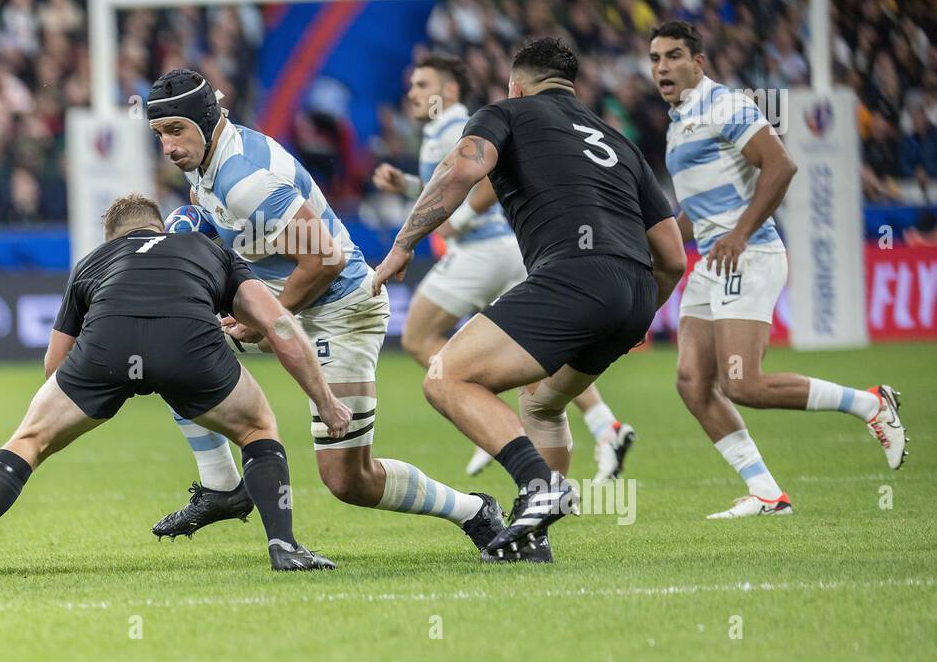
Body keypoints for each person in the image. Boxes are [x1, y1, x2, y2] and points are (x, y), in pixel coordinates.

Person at [147, 68, 508, 557]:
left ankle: (473, 510)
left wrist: (263, 320)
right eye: (159, 134)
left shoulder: (244, 178)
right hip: (287, 304)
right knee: (168, 350)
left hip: (341, 310)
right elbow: (229, 222)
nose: (167, 147)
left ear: (207, 119)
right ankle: (221, 487)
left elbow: (325, 258)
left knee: (347, 480)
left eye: (175, 131)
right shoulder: (208, 159)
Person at [373, 38, 687, 562]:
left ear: (516, 85)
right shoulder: (618, 140)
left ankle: (540, 486)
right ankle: (534, 536)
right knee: (541, 402)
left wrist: (402, 245)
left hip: (573, 276)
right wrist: (633, 318)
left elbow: (460, 173)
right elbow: (673, 257)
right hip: (636, 293)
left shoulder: (506, 113)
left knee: (447, 375)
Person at [0, 194, 347, 579]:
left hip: (107, 347)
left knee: (28, 441)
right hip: (189, 344)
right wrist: (325, 401)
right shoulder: (206, 248)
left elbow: (54, 362)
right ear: (160, 227)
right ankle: (285, 548)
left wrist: (82, 400)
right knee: (257, 428)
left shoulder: (94, 261)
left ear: (112, 238)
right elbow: (277, 323)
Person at [650, 20, 908, 518]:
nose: (663, 66)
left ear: (699, 62)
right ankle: (768, 493)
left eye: (674, 55)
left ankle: (870, 402)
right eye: (656, 58)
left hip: (748, 254)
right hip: (713, 260)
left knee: (743, 383)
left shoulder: (723, 104)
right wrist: (645, 243)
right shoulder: (678, 121)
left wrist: (741, 232)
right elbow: (695, 215)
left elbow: (782, 164)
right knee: (691, 382)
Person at [372, 52, 638, 480]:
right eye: (412, 85)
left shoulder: (464, 123)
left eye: (422, 85)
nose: (412, 93)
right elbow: (443, 186)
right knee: (535, 353)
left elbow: (482, 185)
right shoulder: (444, 127)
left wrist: (451, 222)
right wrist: (405, 186)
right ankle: (604, 425)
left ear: (450, 90)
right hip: (514, 251)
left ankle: (492, 424)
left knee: (421, 336)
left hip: (483, 252)